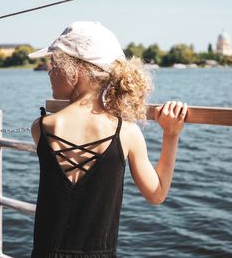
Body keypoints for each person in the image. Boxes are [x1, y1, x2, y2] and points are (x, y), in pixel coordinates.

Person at [28, 21, 187, 258]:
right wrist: (171, 134)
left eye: (54, 63)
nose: (49, 70)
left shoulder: (42, 127)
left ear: (76, 71)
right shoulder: (126, 132)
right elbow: (157, 194)